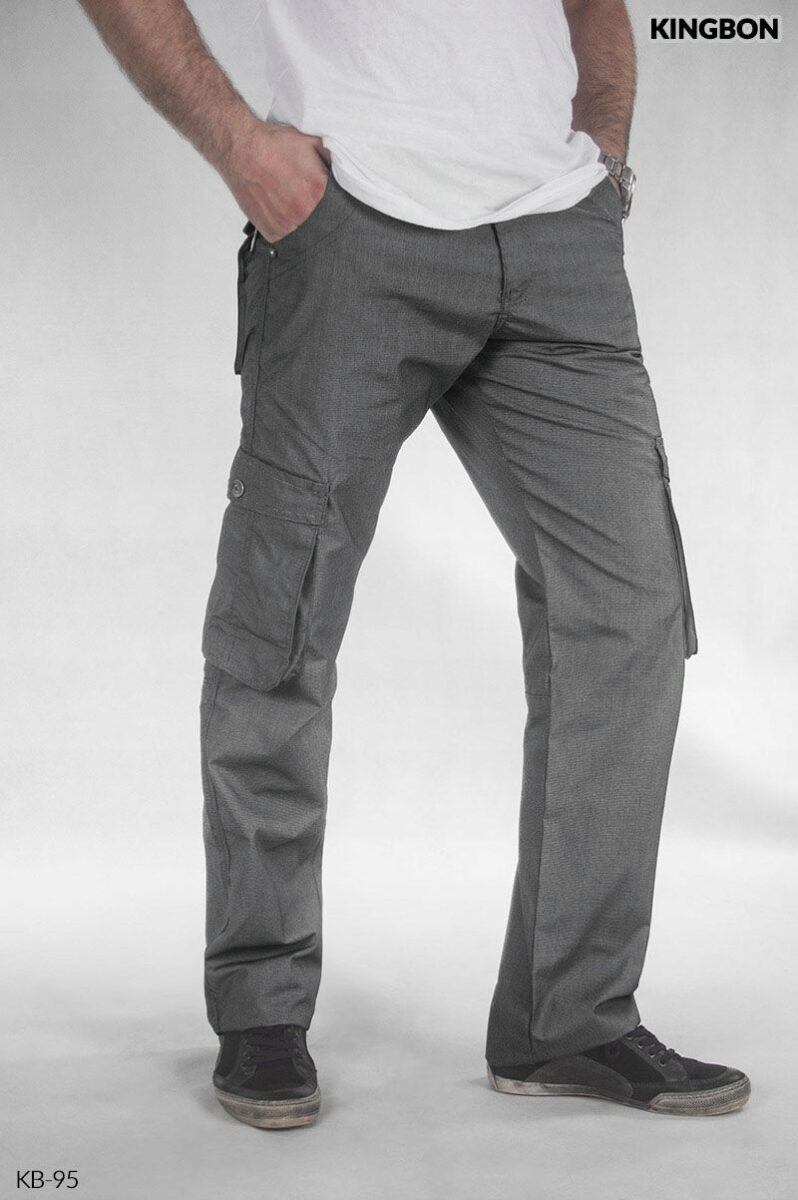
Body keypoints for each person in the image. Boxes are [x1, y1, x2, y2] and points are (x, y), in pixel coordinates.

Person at [79, 0, 750, 1128]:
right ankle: (261, 1006)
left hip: (557, 234)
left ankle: (569, 1018)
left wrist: (604, 159)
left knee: (629, 613)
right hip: (350, 220)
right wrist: (242, 146)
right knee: (283, 618)